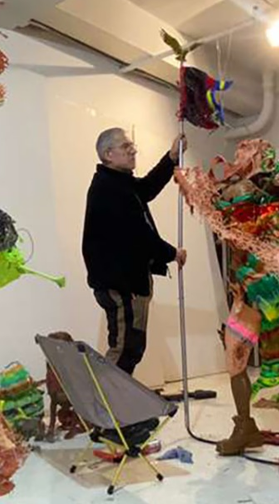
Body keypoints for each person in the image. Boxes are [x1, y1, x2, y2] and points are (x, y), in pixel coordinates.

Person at [82, 128, 186, 375]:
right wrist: (172, 253)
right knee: (124, 349)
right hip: (121, 285)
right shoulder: (109, 188)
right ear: (108, 154)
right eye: (125, 147)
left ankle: (115, 398)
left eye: (132, 146)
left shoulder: (119, 183)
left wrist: (171, 157)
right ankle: (106, 399)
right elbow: (139, 235)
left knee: (130, 348)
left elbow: (147, 188)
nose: (133, 151)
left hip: (126, 282)